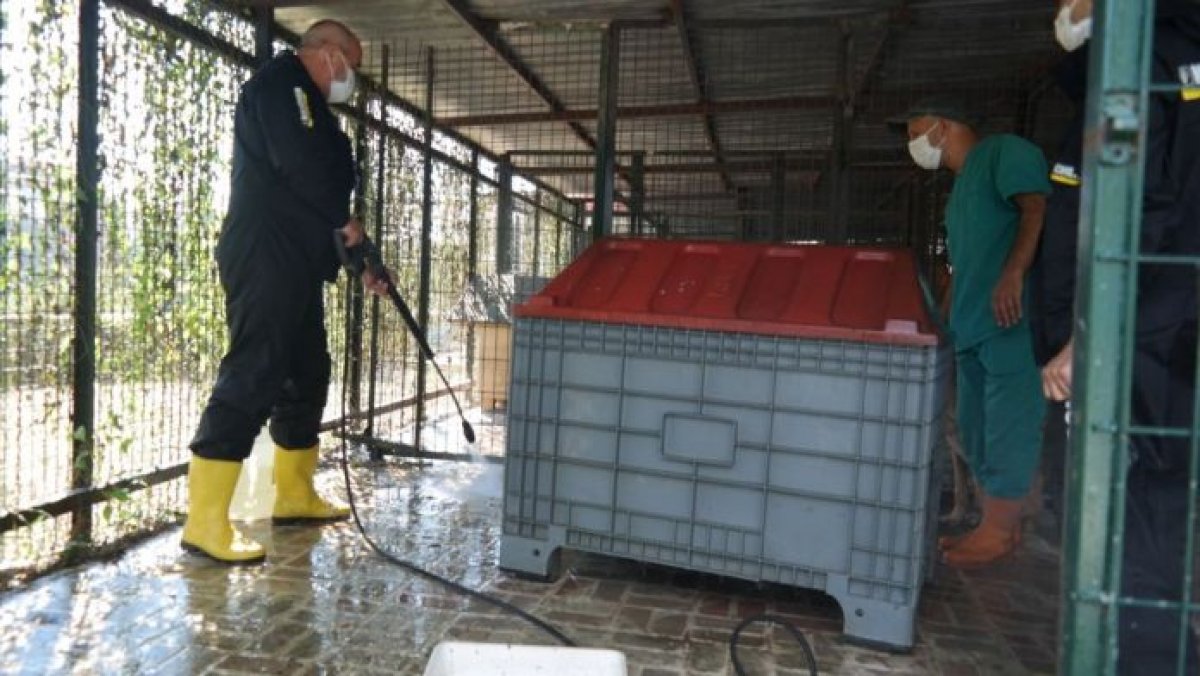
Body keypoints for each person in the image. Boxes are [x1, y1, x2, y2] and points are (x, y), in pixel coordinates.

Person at [182, 19, 389, 564]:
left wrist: (359, 262)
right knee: (255, 369)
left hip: (295, 261)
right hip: (264, 255)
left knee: (307, 373)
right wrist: (344, 220)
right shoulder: (281, 86)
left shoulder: (312, 107)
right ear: (328, 54)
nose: (351, 79)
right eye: (351, 67)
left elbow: (315, 203)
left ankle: (294, 496)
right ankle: (204, 522)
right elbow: (302, 171)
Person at [1039, 0, 1200, 672]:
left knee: (1130, 513)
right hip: (1175, 331)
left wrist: (1090, 337)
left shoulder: (1132, 73)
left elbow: (1132, 205)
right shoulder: (1182, 56)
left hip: (1148, 333)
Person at [892, 99, 1050, 568]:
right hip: (971, 324)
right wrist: (942, 318)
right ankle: (993, 525)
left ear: (943, 126)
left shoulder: (1004, 153)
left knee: (1009, 421)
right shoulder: (960, 189)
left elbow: (1035, 208)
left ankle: (1001, 530)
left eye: (916, 131)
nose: (912, 143)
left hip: (1008, 318)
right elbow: (961, 265)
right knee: (974, 425)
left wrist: (1014, 273)